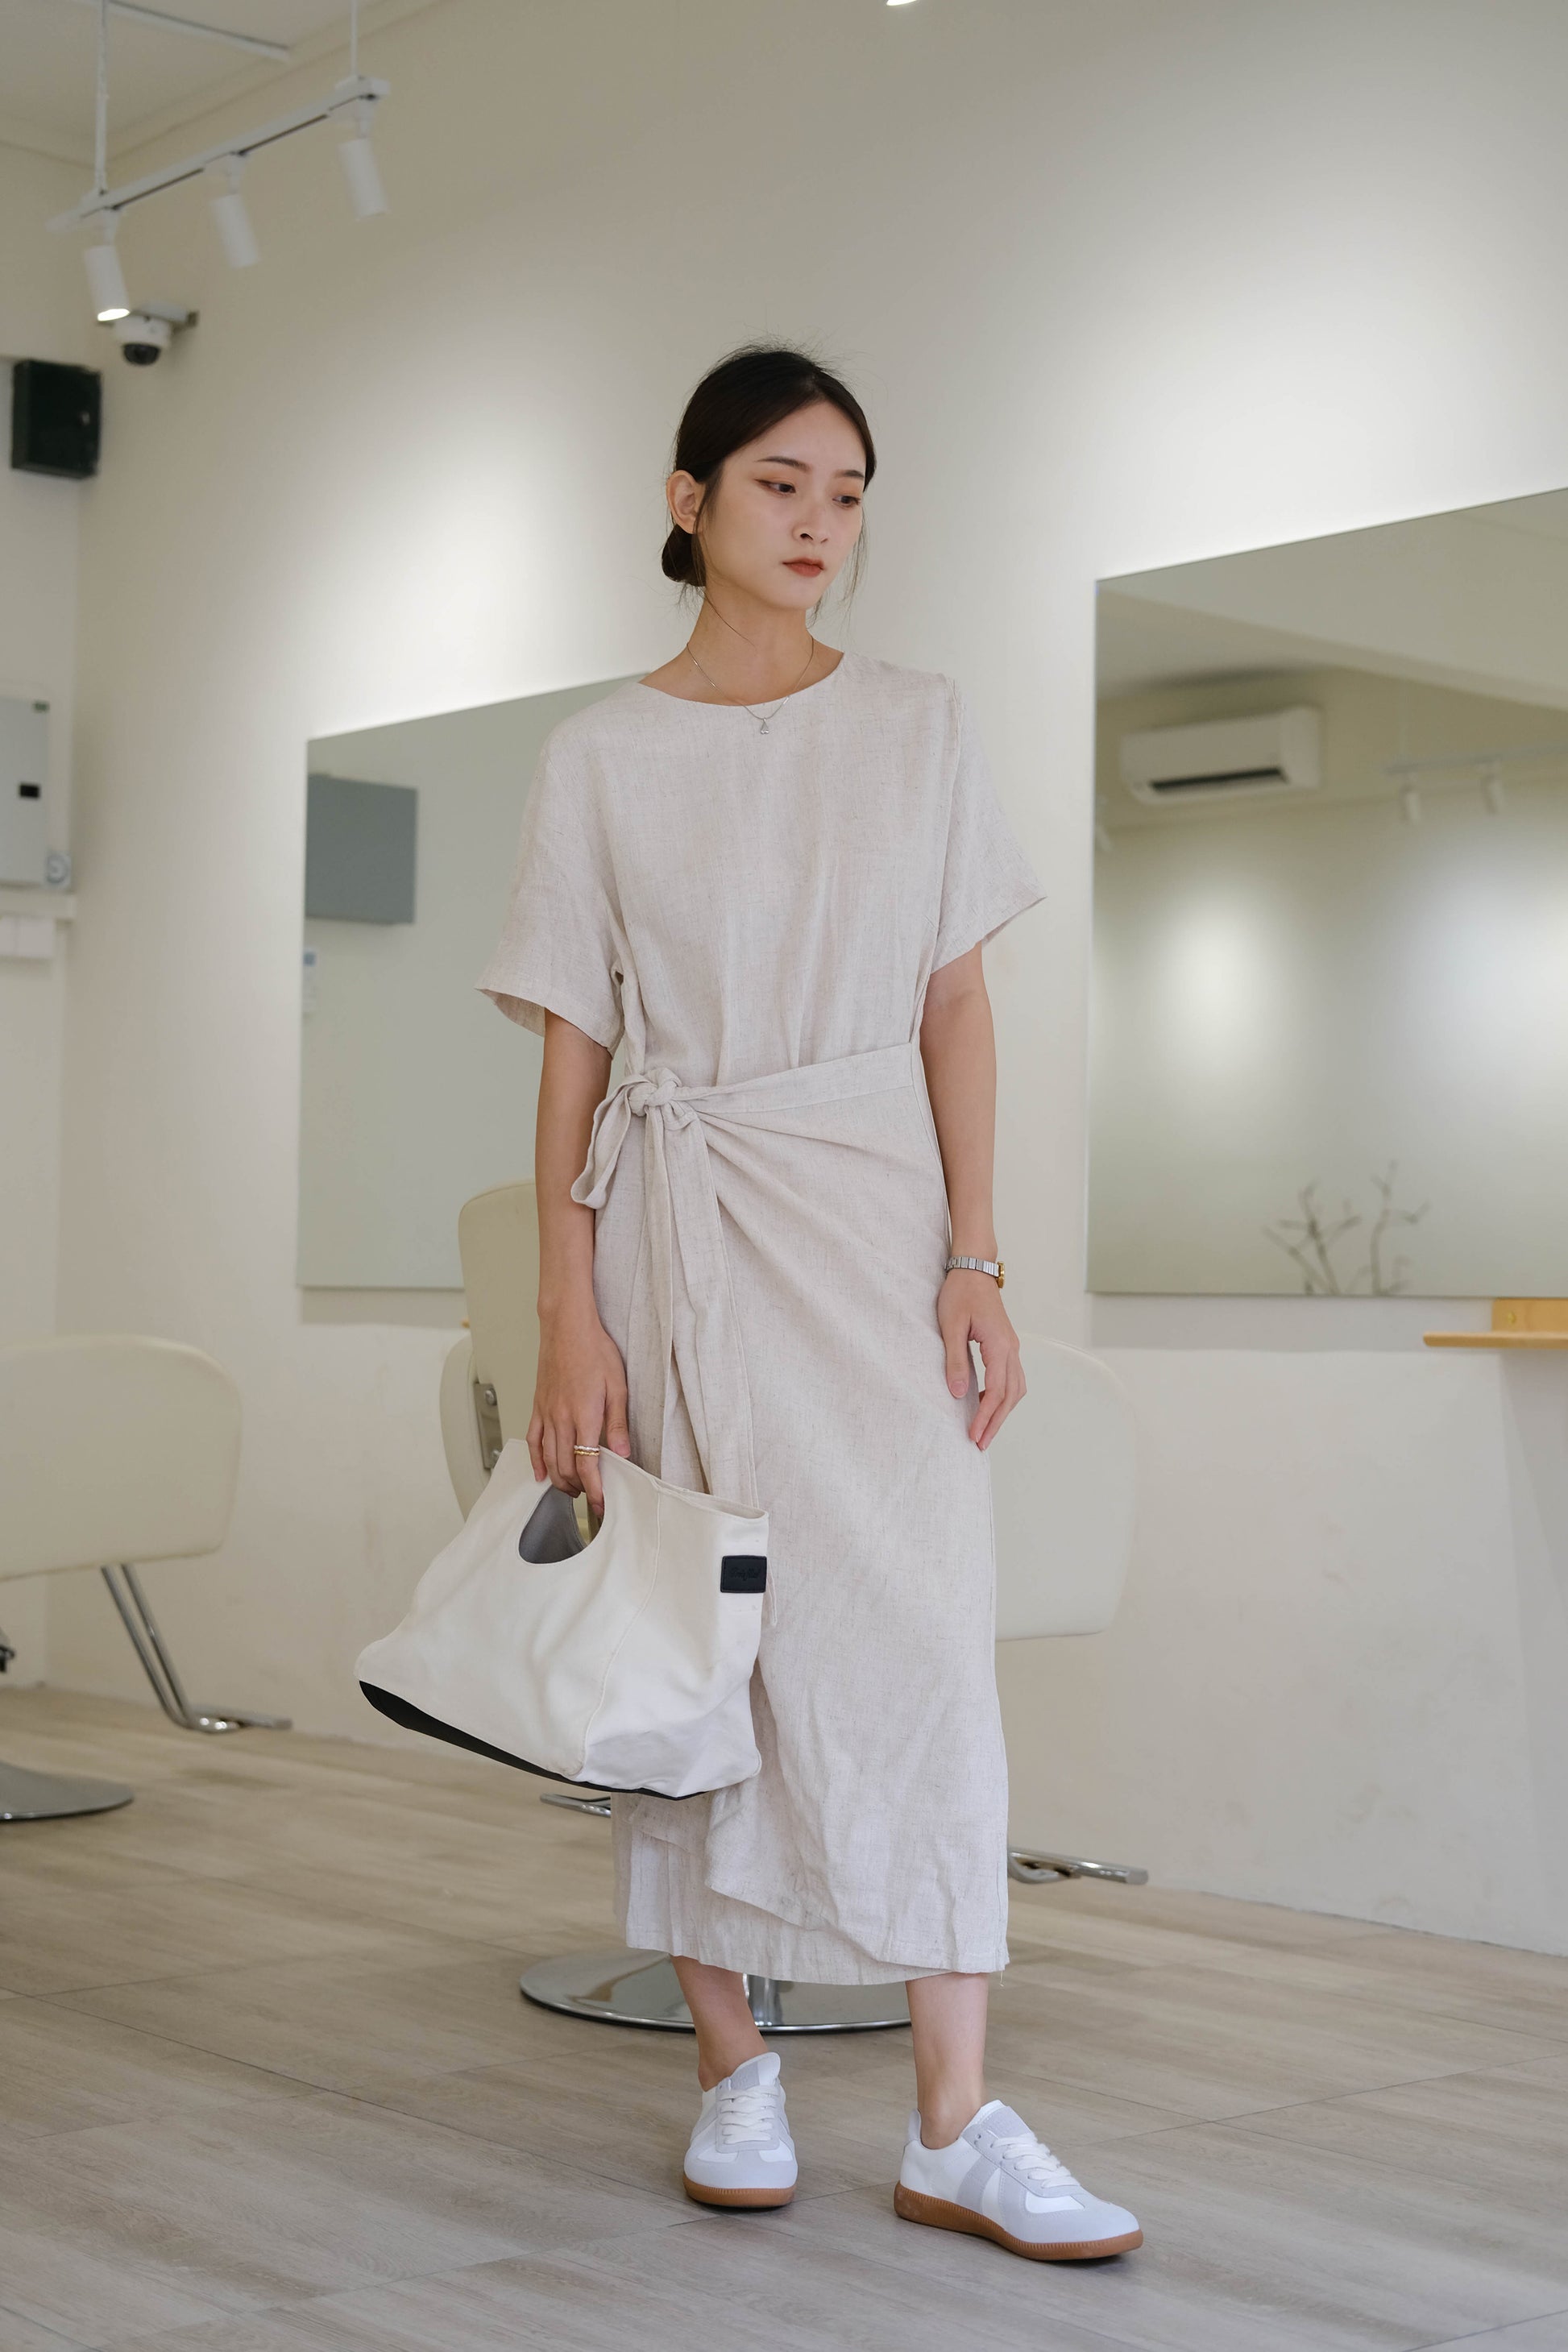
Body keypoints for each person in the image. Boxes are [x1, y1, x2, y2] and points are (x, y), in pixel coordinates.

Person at [478, 344, 1141, 2263]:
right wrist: (567, 1308)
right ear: (687, 500)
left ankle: (957, 2117)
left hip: (869, 1218)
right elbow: (573, 1052)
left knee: (921, 1638)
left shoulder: (919, 722)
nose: (819, 522)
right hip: (674, 1220)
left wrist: (976, 1254)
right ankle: (731, 2062)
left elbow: (954, 1004)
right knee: (702, 1641)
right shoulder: (600, 756)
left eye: (847, 493)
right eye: (781, 483)